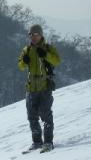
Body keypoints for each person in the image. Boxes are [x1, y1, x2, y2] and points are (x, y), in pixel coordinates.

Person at [18, 24, 61, 153]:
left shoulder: (48, 48)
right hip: (31, 87)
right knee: (32, 116)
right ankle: (37, 142)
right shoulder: (27, 50)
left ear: (41, 35)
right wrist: (23, 61)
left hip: (44, 86)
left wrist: (46, 55)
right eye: (31, 35)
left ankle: (48, 142)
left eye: (35, 34)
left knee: (46, 115)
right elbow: (20, 66)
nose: (33, 37)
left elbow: (57, 61)